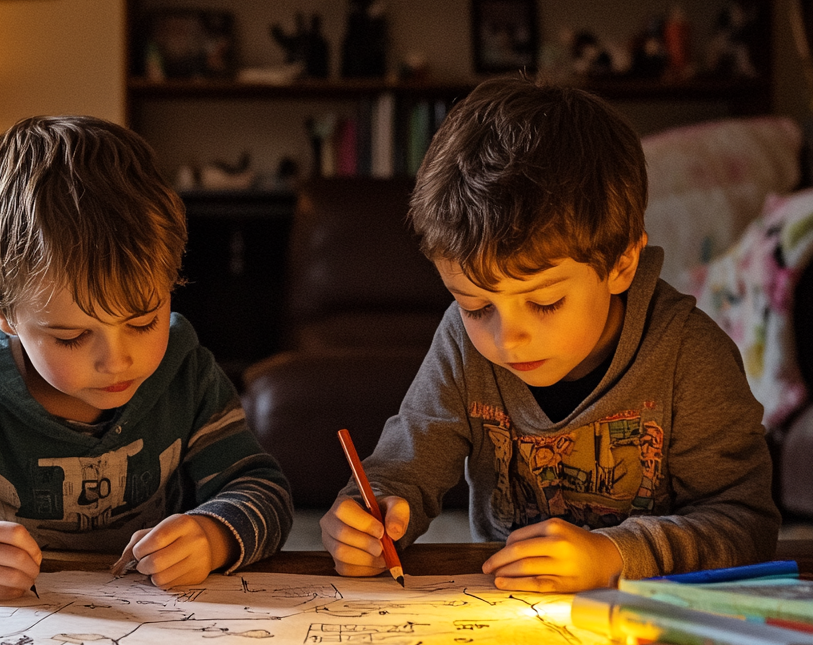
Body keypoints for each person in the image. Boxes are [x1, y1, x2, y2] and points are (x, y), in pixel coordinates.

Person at [320, 76, 778, 592]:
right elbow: (403, 473)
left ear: (621, 262)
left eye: (544, 302)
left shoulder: (689, 355)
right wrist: (367, 519)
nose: (508, 338)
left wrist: (613, 555)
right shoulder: (461, 347)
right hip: (512, 617)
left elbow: (745, 524)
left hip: (662, 618)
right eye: (475, 305)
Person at [0, 116, 292, 599]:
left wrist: (215, 535)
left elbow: (262, 489)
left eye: (143, 321)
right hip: (2, 639)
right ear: (1, 312)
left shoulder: (187, 377)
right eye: (70, 336)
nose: (118, 360)